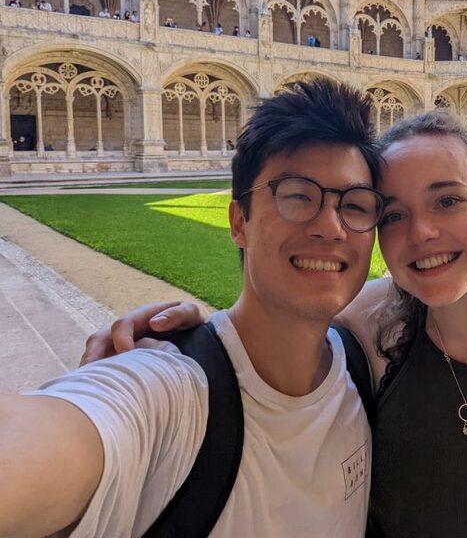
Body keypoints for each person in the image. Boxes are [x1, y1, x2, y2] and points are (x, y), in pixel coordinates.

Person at [89, 112, 467, 537]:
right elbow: (270, 323)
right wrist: (188, 331)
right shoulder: (372, 326)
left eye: (447, 200)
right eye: (392, 214)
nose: (421, 233)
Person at [0, 79, 382, 537]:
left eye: (356, 205)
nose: (331, 227)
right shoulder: (168, 392)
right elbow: (41, 441)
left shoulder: (366, 364)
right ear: (239, 222)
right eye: (298, 195)